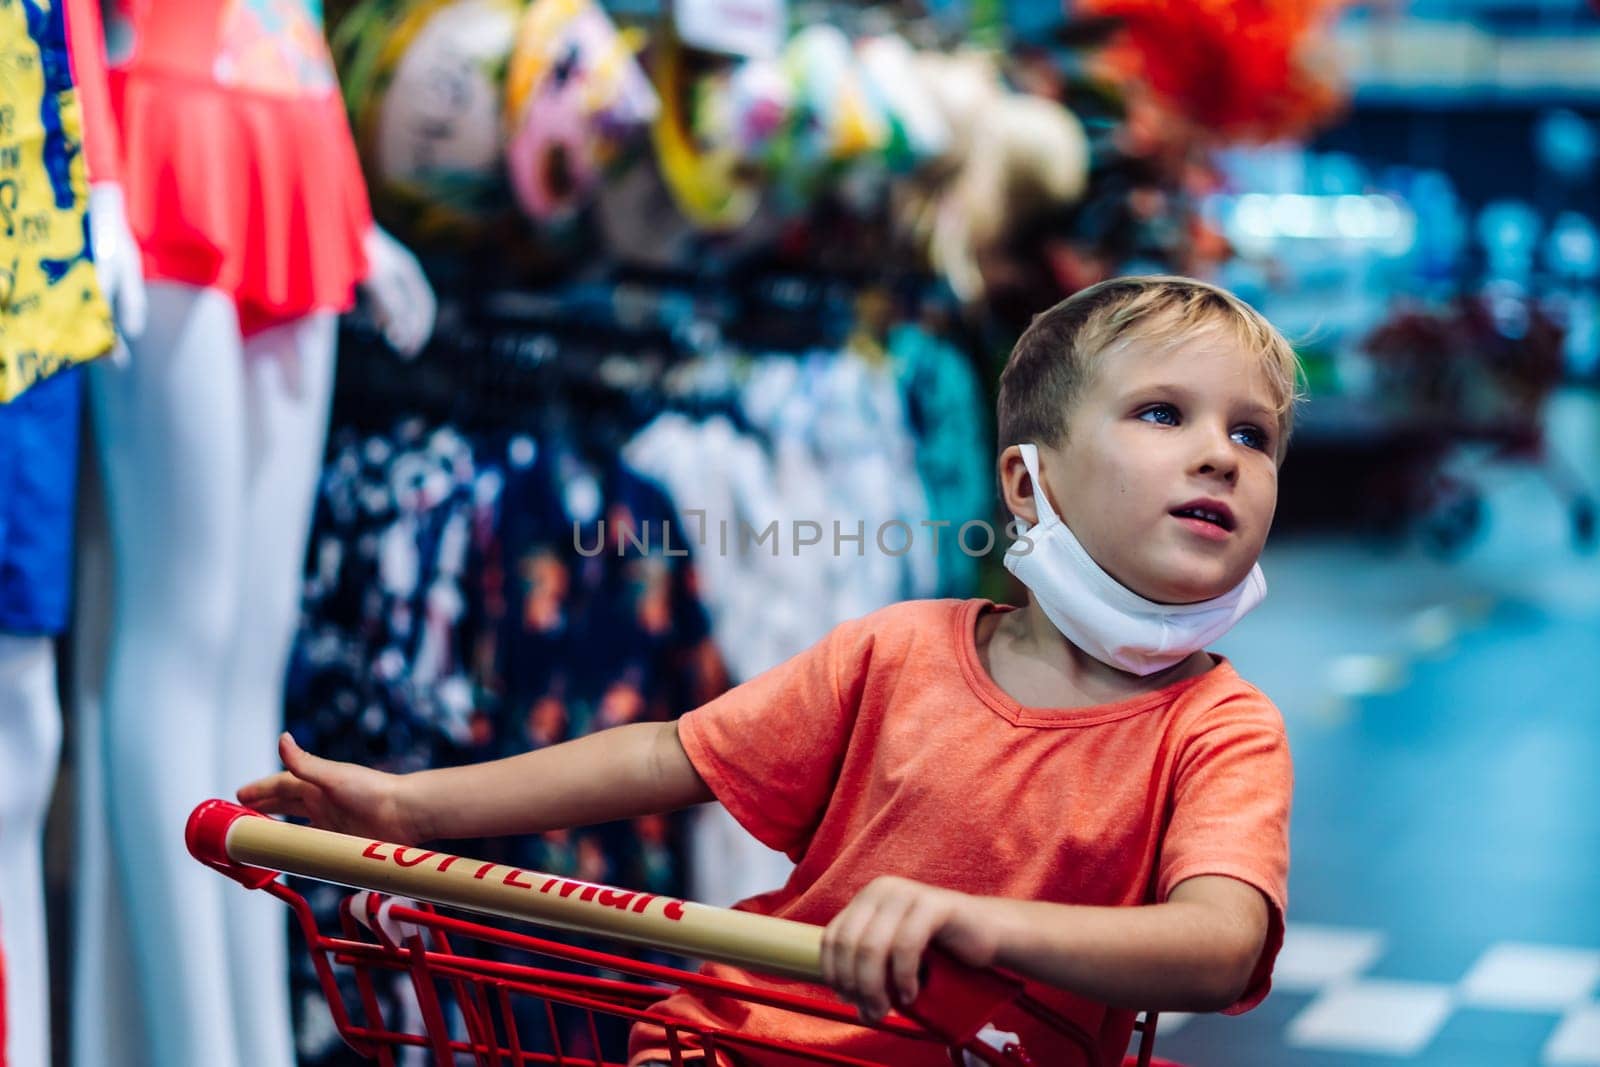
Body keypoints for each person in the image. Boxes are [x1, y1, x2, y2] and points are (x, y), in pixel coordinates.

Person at [240, 275, 1298, 1066]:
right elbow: (670, 752)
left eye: (1252, 435)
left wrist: (966, 920)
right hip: (746, 1043)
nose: (1220, 453)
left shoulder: (1215, 728)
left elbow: (1218, 940)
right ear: (1027, 481)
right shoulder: (896, 652)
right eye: (1164, 412)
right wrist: (410, 804)